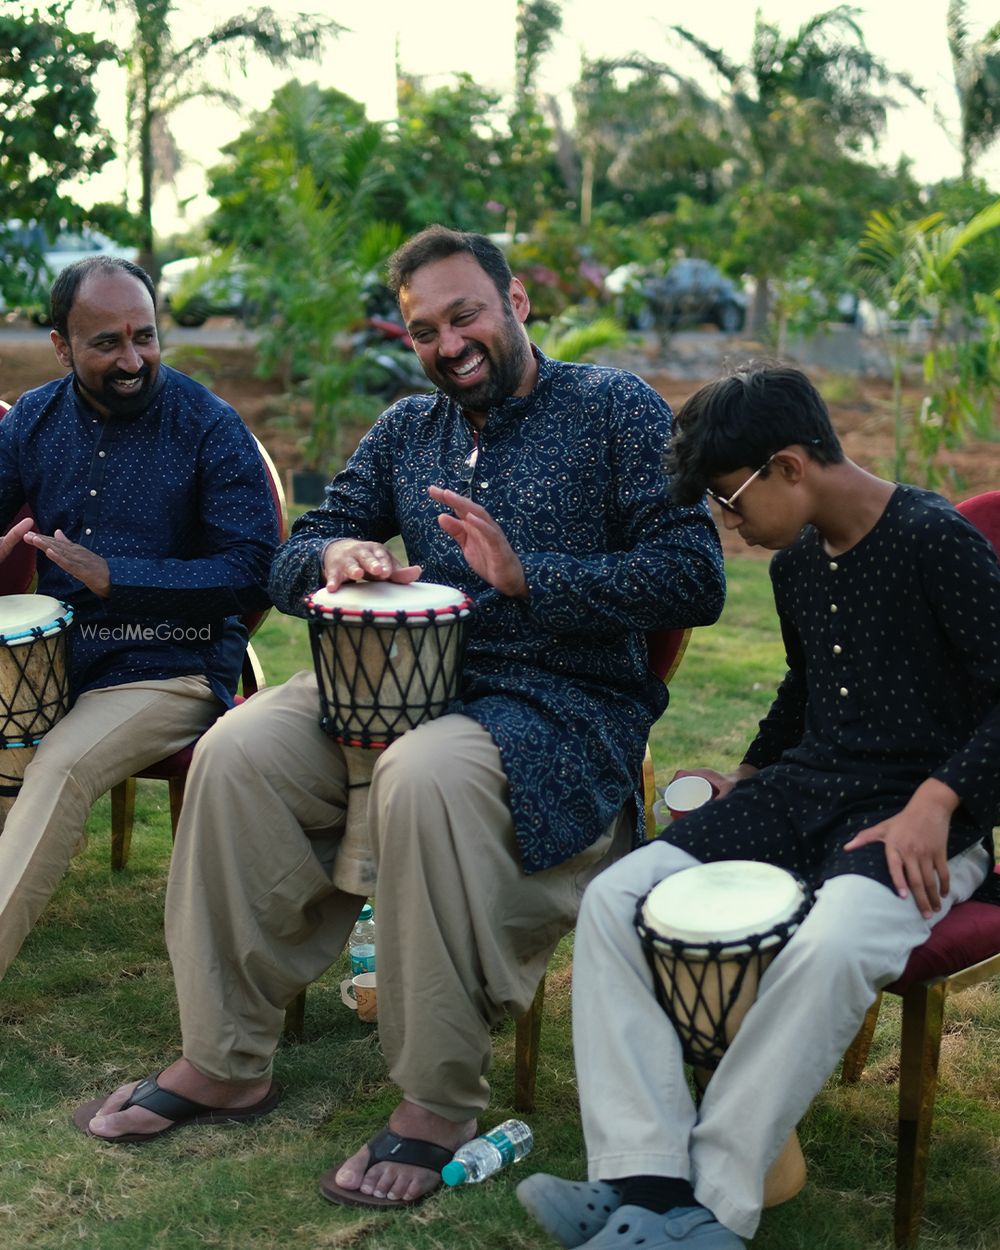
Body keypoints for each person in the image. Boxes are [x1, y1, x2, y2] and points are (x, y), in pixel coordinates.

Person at [72, 225, 726, 1207]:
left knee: (424, 772)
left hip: (555, 706)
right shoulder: (408, 427)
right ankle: (226, 1052)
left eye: (464, 314)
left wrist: (527, 575)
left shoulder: (612, 409)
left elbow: (695, 573)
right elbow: (295, 551)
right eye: (424, 328)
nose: (447, 341)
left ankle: (437, 1097)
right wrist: (332, 558)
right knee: (236, 747)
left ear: (515, 305)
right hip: (391, 684)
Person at [516, 362, 1000, 1249]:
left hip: (923, 817)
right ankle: (642, 1179)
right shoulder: (798, 570)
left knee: (834, 940)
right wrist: (747, 772)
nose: (728, 525)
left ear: (789, 465)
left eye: (729, 500)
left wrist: (942, 796)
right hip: (800, 791)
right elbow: (804, 688)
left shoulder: (938, 540)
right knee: (619, 900)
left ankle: (714, 1209)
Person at [0, 255, 278, 980]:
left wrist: (119, 578)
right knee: (10, 747)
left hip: (171, 663)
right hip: (57, 660)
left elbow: (254, 569)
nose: (132, 360)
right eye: (106, 344)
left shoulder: (208, 426)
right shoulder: (32, 420)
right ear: (61, 346)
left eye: (144, 337)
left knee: (56, 768)